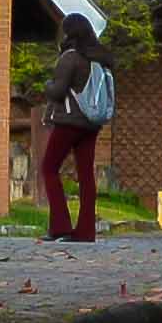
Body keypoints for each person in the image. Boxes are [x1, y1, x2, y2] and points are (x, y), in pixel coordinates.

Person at [43, 14, 115, 241]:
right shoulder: (100, 58)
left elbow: (58, 91)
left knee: (49, 169)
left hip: (68, 122)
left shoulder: (70, 58)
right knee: (86, 175)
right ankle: (85, 231)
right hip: (91, 123)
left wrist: (48, 85)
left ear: (68, 33)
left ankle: (60, 226)